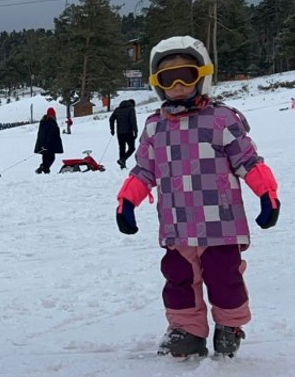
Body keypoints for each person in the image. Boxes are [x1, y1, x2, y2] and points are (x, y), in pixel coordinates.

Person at [115, 36, 281, 359]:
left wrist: (266, 193)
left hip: (220, 225)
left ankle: (230, 325)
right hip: (177, 228)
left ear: (202, 76)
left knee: (225, 278)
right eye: (167, 78)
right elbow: (143, 172)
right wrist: (127, 202)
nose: (177, 85)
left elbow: (248, 161)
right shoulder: (154, 129)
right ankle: (186, 330)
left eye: (186, 75)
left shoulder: (221, 120)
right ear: (157, 84)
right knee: (178, 279)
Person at [108, 98, 138, 169]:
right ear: (132, 104)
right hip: (128, 132)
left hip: (120, 133)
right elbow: (133, 121)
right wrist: (135, 131)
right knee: (132, 148)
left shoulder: (117, 109)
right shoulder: (131, 109)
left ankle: (122, 164)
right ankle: (122, 160)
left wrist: (112, 130)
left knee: (122, 148)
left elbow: (111, 119)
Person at [34, 107, 63, 173]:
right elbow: (51, 135)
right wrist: (48, 144)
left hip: (42, 144)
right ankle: (43, 167)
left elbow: (41, 134)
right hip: (49, 145)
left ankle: (46, 172)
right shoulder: (52, 122)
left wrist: (42, 144)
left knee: (45, 158)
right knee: (51, 158)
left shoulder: (43, 122)